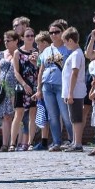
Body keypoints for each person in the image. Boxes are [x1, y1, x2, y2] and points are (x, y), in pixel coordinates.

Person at [34, 19, 72, 151]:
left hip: (61, 85)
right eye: (51, 32)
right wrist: (39, 88)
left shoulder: (67, 49)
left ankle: (73, 140)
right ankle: (56, 142)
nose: (54, 34)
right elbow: (41, 70)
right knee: (52, 116)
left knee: (66, 115)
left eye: (57, 32)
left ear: (62, 33)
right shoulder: (46, 51)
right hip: (47, 86)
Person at [60, 27, 86, 152]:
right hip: (72, 91)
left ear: (70, 40)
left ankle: (78, 143)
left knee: (76, 118)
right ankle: (75, 141)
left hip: (75, 92)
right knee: (73, 117)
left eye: (65, 42)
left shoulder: (76, 54)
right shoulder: (74, 54)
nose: (65, 45)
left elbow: (74, 73)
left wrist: (70, 93)